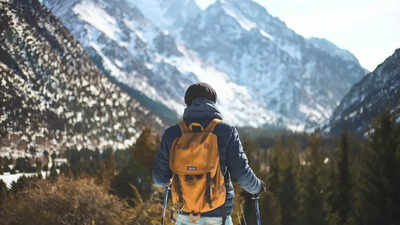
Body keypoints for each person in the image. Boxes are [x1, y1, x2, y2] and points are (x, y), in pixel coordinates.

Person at [152, 82, 265, 225]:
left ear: (188, 103)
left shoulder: (172, 134)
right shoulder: (226, 132)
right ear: (213, 102)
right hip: (218, 215)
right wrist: (257, 187)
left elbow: (159, 179)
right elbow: (241, 173)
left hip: (183, 214)